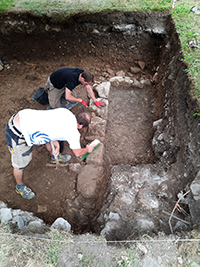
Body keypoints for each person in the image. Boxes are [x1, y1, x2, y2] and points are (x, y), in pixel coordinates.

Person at [5, 108, 94, 200]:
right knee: (20, 165)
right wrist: (87, 149)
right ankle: (20, 187)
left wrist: (56, 143)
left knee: (50, 142)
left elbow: (51, 124)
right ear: (80, 126)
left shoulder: (66, 112)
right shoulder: (73, 133)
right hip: (17, 133)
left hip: (22, 116)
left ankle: (54, 157)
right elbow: (78, 153)